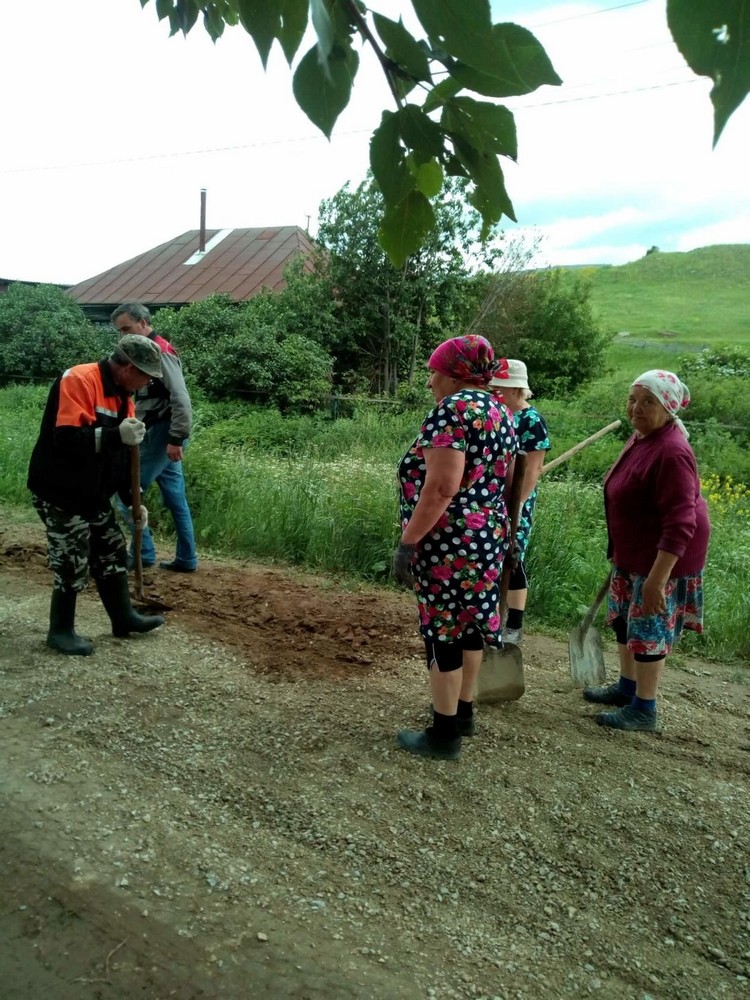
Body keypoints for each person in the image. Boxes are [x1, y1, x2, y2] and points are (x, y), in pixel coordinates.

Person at [392, 335, 517, 760]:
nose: (430, 382)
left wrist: (409, 543)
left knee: (443, 629)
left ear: (454, 374)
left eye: (434, 372)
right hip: (486, 536)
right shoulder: (501, 409)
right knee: (470, 625)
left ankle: (444, 734)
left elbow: (442, 486)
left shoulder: (452, 412)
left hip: (449, 541)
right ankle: (463, 712)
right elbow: (506, 480)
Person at [583, 369, 710, 731]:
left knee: (649, 629)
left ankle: (644, 708)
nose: (636, 408)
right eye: (632, 399)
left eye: (648, 402)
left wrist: (657, 579)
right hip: (635, 552)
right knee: (626, 622)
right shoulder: (643, 437)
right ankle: (627, 688)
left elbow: (681, 521)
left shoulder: (672, 452)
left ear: (668, 407)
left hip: (662, 558)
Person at [27, 335, 167, 655]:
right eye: (145, 375)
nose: (146, 383)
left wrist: (134, 502)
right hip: (59, 490)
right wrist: (116, 434)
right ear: (128, 368)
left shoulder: (124, 395)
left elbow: (120, 459)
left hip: (92, 492)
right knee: (73, 555)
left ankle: (123, 618)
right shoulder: (79, 380)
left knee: (112, 546)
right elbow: (65, 440)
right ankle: (60, 630)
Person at [111, 302, 198, 573]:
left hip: (163, 433)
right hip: (160, 432)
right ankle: (186, 559)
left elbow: (181, 397)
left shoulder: (158, 350)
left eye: (127, 328)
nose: (123, 335)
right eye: (119, 331)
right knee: (175, 499)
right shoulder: (143, 351)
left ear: (144, 323)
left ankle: (143, 554)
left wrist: (176, 437)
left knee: (126, 493)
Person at [489, 359, 550, 644]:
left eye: (499, 389)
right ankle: (491, 618)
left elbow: (533, 470)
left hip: (516, 503)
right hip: (493, 499)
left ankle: (513, 624)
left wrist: (516, 507)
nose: (494, 393)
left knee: (513, 560)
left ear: (516, 390)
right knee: (494, 558)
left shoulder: (531, 421)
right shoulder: (498, 413)